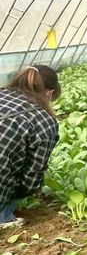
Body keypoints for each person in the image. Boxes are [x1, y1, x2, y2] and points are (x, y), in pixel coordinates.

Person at [0, 65, 61, 228]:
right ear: (49, 94)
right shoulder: (44, 121)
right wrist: (21, 192)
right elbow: (32, 176)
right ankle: (3, 217)